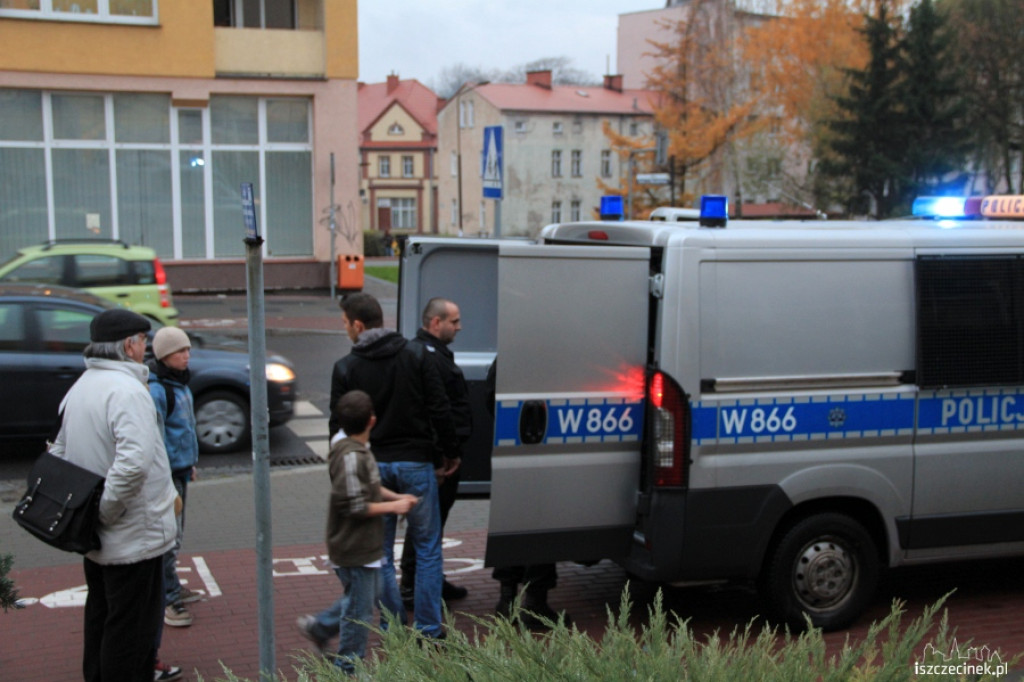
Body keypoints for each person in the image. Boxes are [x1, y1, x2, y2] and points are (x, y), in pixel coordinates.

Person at [49, 308, 179, 682]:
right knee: (132, 632)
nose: (146, 348)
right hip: (133, 536)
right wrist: (105, 510)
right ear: (128, 345)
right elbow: (134, 464)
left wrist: (87, 512)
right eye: (143, 341)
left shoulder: (82, 387)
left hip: (96, 536)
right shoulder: (127, 391)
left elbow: (59, 453)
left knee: (102, 618)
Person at [328, 292, 459, 640]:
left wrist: (339, 471)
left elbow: (336, 427)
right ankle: (429, 629)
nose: (345, 329)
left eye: (345, 323)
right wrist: (449, 453)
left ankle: (393, 625)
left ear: (358, 325)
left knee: (380, 552)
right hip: (416, 462)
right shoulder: (416, 355)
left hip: (374, 466)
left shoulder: (346, 367)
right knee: (428, 549)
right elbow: (439, 408)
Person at [297, 390, 419, 673]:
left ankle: (320, 627)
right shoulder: (352, 456)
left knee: (365, 596)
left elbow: (368, 488)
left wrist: (395, 497)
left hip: (363, 545)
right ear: (372, 421)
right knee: (360, 612)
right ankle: (346, 668)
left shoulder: (355, 449)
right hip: (355, 546)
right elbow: (354, 505)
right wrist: (395, 506)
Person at [483, 359, 569, 631]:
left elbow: (490, 397)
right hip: (546, 446)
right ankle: (535, 601)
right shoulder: (552, 360)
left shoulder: (507, 357)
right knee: (542, 522)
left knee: (511, 520)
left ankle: (506, 599)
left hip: (511, 442)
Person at [400, 298, 472, 608]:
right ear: (435, 323)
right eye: (454, 321)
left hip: (438, 454)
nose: (459, 327)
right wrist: (444, 455)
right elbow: (435, 412)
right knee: (427, 524)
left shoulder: (430, 353)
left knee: (432, 523)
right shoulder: (428, 357)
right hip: (438, 458)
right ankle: (411, 585)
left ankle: (429, 580)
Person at [148, 326, 203, 633]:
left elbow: (186, 429)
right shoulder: (159, 391)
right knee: (169, 537)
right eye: (180, 351)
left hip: (180, 470)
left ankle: (171, 586)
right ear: (164, 355)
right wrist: (166, 475)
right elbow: (157, 438)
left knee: (176, 535)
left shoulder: (180, 384)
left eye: (188, 349)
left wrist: (189, 463)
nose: (187, 355)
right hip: (166, 476)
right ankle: (168, 599)